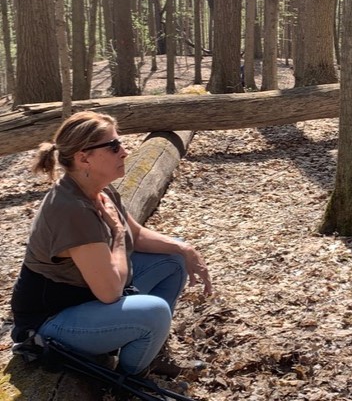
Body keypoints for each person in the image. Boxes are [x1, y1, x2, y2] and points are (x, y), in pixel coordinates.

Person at [10, 110, 213, 377]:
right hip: (51, 320)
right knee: (154, 313)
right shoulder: (71, 209)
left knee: (172, 258)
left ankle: (151, 347)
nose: (125, 151)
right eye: (114, 146)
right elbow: (110, 293)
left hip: (85, 297)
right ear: (84, 158)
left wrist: (185, 249)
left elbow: (137, 236)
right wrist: (117, 236)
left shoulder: (99, 189)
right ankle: (132, 376)